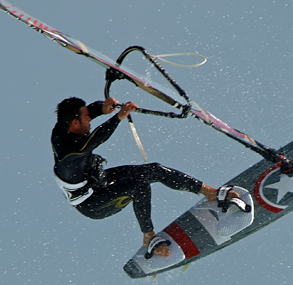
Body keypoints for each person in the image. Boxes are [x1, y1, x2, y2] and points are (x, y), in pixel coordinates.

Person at [51, 96, 236, 258]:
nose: (89, 119)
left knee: (154, 170)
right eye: (86, 118)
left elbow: (88, 111)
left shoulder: (64, 127)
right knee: (139, 186)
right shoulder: (68, 152)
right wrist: (118, 117)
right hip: (92, 203)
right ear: (75, 123)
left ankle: (210, 192)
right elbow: (94, 140)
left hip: (99, 180)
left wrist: (101, 108)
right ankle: (149, 236)